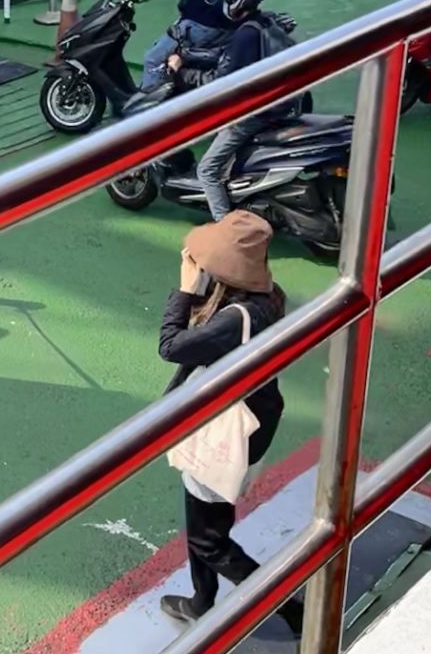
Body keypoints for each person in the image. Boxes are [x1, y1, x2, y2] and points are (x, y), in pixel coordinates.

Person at [155, 212, 304, 633]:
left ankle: (291, 605)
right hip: (253, 423)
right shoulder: (268, 298)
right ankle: (202, 601)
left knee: (209, 539)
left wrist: (185, 291)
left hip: (223, 434)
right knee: (205, 526)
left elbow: (171, 347)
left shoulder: (235, 318)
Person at [192, 0, 300, 221]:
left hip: (253, 114)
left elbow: (224, 80)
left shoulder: (245, 35)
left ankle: (225, 226)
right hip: (281, 104)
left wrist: (190, 76)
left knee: (207, 171)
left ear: (238, 0)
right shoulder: (267, 22)